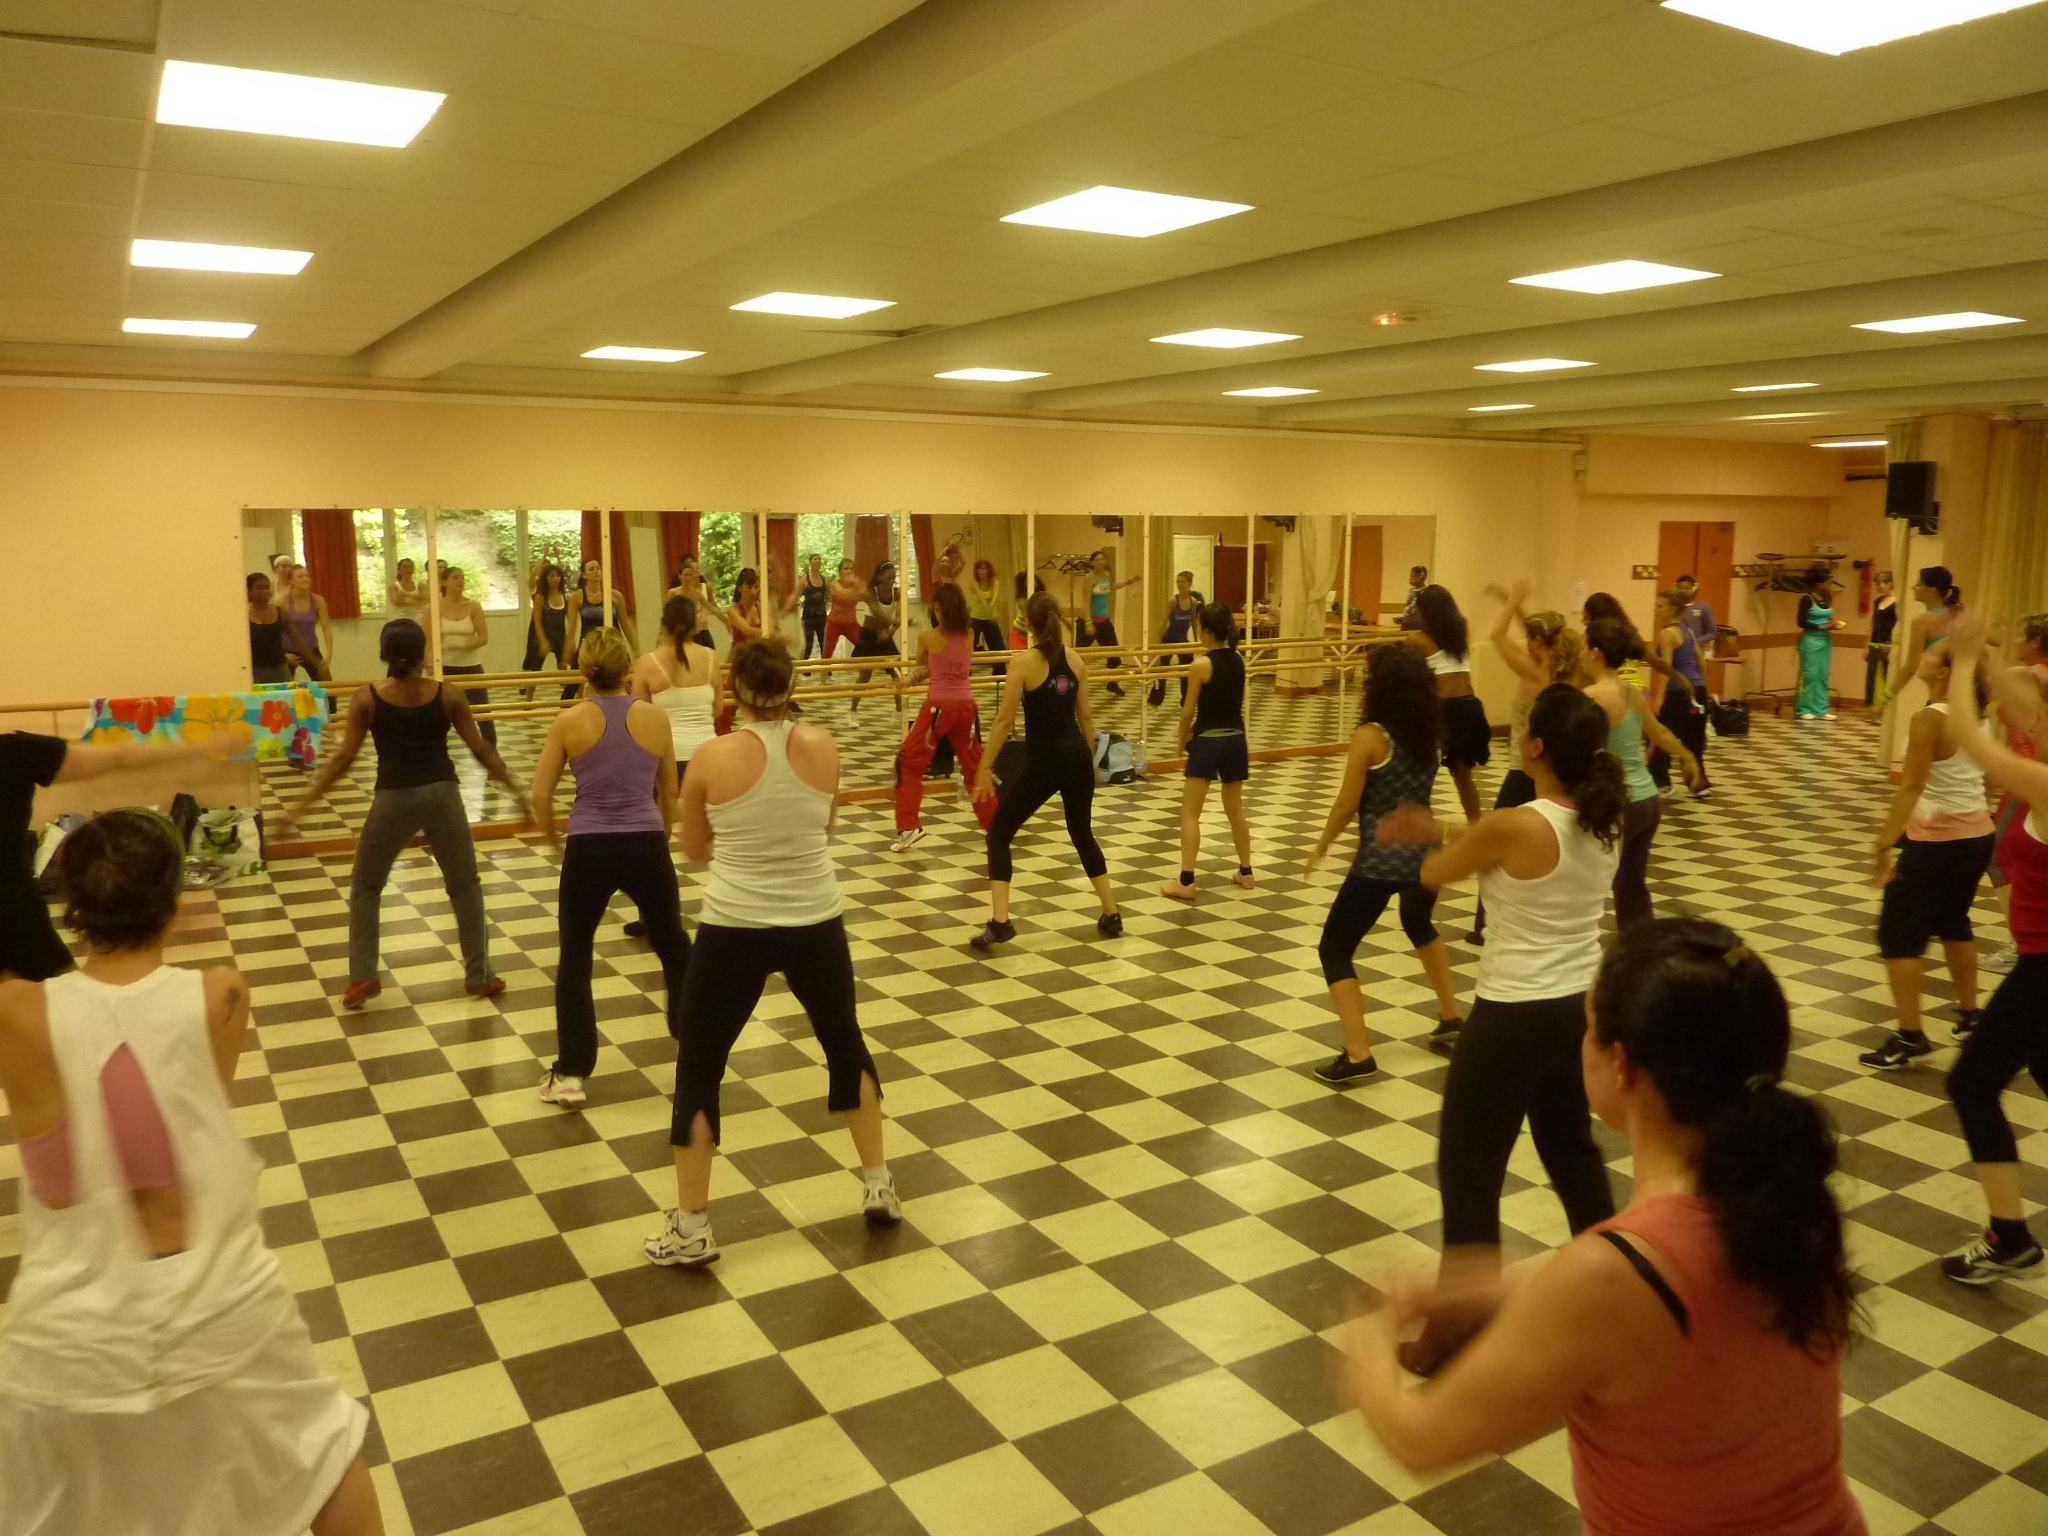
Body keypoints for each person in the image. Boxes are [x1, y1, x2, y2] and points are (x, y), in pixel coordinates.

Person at [1346, 919, 1864, 1536]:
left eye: (1588, 1029)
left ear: (1623, 1065)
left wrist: (1369, 1338)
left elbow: (1419, 1439)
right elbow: (1689, 1312)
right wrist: (1502, 1290)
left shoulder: (1613, 1273)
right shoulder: (1787, 1199)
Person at [0, 809, 383, 1536]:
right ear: (174, 903)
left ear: (71, 906)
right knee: (324, 1452)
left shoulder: (16, 1010)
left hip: (70, 1332)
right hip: (220, 1304)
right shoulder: (219, 994)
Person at [1375, 685, 1627, 1375]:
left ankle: (1459, 1327)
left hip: (1513, 1016)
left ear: (1536, 746)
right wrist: (1448, 830)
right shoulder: (1604, 815)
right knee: (1572, 1155)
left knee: (1468, 1171)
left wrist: (1422, 834)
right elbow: (1497, 844)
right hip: (1577, 1009)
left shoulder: (1515, 823)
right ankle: (1616, 1296)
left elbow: (1435, 873)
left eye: (1523, 729)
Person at [648, 638, 899, 1266]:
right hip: (817, 917)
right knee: (844, 1042)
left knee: (699, 1065)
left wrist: (744, 838)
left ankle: (692, 1227)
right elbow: (825, 826)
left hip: (734, 924)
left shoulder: (711, 756)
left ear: (733, 690)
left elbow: (694, 849)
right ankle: (879, 1185)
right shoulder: (825, 747)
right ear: (792, 687)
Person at [277, 619, 525, 1011]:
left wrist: (298, 808)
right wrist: (517, 791)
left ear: (383, 654)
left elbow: (343, 758)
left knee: (366, 886)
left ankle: (363, 976)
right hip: (443, 794)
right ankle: (479, 974)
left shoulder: (366, 698)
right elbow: (480, 748)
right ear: (424, 653)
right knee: (465, 886)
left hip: (392, 798)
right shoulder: (449, 694)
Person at [530, 628, 689, 1109]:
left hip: (588, 846)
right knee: (674, 945)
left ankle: (571, 1072)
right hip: (645, 842)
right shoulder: (655, 718)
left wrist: (555, 844)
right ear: (627, 669)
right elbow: (670, 793)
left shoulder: (568, 720)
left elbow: (540, 796)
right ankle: (695, 1041)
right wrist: (661, 837)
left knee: (575, 956)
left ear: (583, 671)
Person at [1933, 622, 2048, 1282]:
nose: (2030, 721)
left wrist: (1964, 659)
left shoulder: (2045, 783)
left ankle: (2010, 1239)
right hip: (2041, 960)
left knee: (1971, 1083)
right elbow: (2023, 703)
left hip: (2045, 967)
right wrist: (1986, 656)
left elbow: (1972, 740)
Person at [1305, 642, 1461, 1081]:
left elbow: (1346, 804)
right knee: (1420, 924)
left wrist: (1322, 845)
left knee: (1335, 947)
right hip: (1424, 857)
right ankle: (1451, 1016)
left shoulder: (1371, 736)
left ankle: (1358, 1054)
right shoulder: (1429, 733)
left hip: (1378, 861)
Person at [1859, 640, 1993, 1070]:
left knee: (1899, 936)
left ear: (1944, 672)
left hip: (1937, 841)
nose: (1923, 657)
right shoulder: (1976, 715)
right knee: (1954, 921)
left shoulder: (1928, 719)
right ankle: (1971, 1015)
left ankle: (1910, 1035)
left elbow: (1911, 786)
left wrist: (1883, 843)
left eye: (1932, 654)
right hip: (1978, 835)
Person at [1, 729, 213, 983]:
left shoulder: (15, 753)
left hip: (21, 920)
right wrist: (195, 745)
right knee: (65, 1002)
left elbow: (117, 757)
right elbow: (118, 757)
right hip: (17, 918)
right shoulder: (12, 752)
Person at [970, 591, 1120, 949]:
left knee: (999, 834)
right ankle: (1112, 913)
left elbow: (1004, 721)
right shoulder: (1076, 661)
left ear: (1029, 624)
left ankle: (1000, 922)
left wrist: (984, 767)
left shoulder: (1023, 663)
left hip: (1046, 759)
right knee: (1082, 834)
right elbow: (1086, 717)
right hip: (1076, 756)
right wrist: (1091, 759)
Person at [1470, 584, 1583, 942]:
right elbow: (1531, 636)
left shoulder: (1534, 673)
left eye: (1530, 638)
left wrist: (1513, 600)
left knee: (1492, 842)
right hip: (1553, 771)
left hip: (1524, 772)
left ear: (1537, 643)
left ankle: (1484, 924)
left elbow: (1497, 635)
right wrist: (1518, 609)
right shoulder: (1564, 669)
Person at [1583, 619, 1703, 932]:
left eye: (1584, 648)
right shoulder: (1631, 692)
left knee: (1594, 879)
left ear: (1595, 653)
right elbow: (1659, 733)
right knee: (1631, 881)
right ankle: (1640, 944)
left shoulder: (1591, 697)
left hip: (1620, 801)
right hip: (1647, 799)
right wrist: (1688, 756)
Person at [891, 583, 996, 853]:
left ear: (937, 608)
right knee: (975, 768)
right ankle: (995, 824)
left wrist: (907, 680)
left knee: (907, 764)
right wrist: (913, 679)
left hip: (939, 709)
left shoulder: (927, 635)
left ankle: (908, 826)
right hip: (967, 708)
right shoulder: (970, 634)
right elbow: (943, 666)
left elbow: (922, 666)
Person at [1161, 602, 1255, 900]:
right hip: (1236, 739)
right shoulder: (1238, 660)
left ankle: (1186, 881)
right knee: (1235, 809)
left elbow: (1188, 710)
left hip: (1208, 741)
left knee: (1190, 813)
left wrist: (1182, 738)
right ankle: (1246, 871)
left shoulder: (1200, 665)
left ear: (1207, 631)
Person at [1407, 585, 1490, 825]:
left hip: (1442, 709)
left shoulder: (1418, 639)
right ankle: (1475, 823)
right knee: (1463, 776)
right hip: (1470, 706)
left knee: (1422, 770)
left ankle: (1418, 823)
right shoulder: (1459, 635)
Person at [1647, 588, 1713, 797]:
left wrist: (1659, 698)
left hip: (1678, 692)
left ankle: (1661, 783)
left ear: (1673, 609)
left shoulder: (1666, 633)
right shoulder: (1688, 631)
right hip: (1697, 691)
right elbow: (1701, 662)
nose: (1655, 610)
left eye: (1660, 606)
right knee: (1694, 740)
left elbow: (1666, 668)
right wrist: (1703, 689)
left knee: (1662, 736)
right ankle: (1699, 784)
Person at [436, 565, 495, 748]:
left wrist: (461, 645)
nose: (461, 581)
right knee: (440, 714)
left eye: (462, 577)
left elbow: (483, 637)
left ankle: (491, 752)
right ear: (444, 582)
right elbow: (428, 639)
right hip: (445, 667)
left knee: (483, 713)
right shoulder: (434, 607)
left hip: (471, 666)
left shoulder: (473, 605)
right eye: (455, 577)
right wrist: (429, 662)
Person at [1076, 549, 1135, 696]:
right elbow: (1086, 602)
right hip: (1088, 621)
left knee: (1114, 654)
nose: (1100, 562)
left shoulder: (1107, 575)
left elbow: (1111, 587)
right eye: (1096, 560)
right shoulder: (1090, 578)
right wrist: (1088, 623)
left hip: (1104, 622)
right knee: (1078, 656)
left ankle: (1112, 683)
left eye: (1102, 559)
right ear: (1092, 563)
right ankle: (1073, 687)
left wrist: (1128, 582)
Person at [851, 560, 902, 711]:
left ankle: (899, 710)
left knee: (897, 673)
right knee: (864, 677)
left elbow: (899, 615)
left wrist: (891, 631)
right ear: (880, 577)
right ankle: (852, 710)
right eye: (889, 578)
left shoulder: (896, 593)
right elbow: (877, 612)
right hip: (869, 636)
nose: (892, 581)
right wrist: (893, 622)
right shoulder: (870, 593)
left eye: (894, 578)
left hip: (885, 636)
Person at [1795, 567, 1844, 721]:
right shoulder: (1807, 599)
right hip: (1810, 641)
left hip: (1825, 641)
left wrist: (1833, 623)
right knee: (1810, 675)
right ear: (1818, 584)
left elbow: (1827, 617)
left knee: (1823, 675)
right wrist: (1820, 627)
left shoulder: (1827, 598)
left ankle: (1821, 709)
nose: (1830, 586)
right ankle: (1803, 708)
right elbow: (1801, 622)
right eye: (1827, 583)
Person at [248, 570, 312, 685]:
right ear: (249, 591)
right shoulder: (242, 615)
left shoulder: (281, 612)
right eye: (260, 588)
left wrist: (315, 662)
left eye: (267, 588)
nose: (265, 591)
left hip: (280, 669)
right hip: (253, 670)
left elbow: (297, 641)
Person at [522, 559, 572, 700]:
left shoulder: (566, 598)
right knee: (535, 670)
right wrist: (543, 641)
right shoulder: (540, 597)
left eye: (557, 576)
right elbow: (537, 622)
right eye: (551, 576)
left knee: (565, 667)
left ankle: (567, 699)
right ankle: (528, 701)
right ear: (546, 578)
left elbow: (571, 621)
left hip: (560, 636)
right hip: (542, 636)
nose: (555, 579)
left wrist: (569, 641)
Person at [1151, 570, 1201, 708]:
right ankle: (1155, 699)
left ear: (1189, 583)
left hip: (1182, 640)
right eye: (1178, 582)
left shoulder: (1193, 602)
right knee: (1162, 671)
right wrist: (1157, 643)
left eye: (1183, 582)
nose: (1179, 585)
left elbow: (1194, 622)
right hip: (1168, 639)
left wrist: (1196, 641)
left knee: (1187, 671)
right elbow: (1163, 621)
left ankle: (1186, 700)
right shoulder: (1173, 601)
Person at [570, 557, 636, 658]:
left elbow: (625, 626)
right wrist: (568, 652)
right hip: (590, 647)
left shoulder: (616, 596)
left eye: (598, 568)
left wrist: (635, 650)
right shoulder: (577, 597)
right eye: (591, 569)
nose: (596, 571)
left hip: (613, 645)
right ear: (584, 575)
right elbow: (571, 630)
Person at [281, 564, 332, 685]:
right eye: (300, 576)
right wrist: (284, 655)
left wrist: (329, 653)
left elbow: (326, 628)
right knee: (285, 686)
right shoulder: (282, 601)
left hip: (311, 649)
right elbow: (273, 631)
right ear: (291, 581)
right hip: (289, 650)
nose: (305, 579)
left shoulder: (318, 600)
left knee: (326, 683)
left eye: (307, 576)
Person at [1904, 565, 1963, 659]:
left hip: (1931, 667)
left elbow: (1913, 662)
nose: (1913, 587)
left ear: (1931, 590)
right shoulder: (1957, 615)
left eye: (1919, 584)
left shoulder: (1921, 622)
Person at [967, 558, 1006, 675]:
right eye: (979, 569)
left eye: (984, 568)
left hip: (990, 618)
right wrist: (990, 609)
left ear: (988, 570)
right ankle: (965, 671)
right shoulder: (974, 584)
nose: (981, 571)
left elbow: (994, 599)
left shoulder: (995, 583)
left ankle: (999, 671)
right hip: (976, 618)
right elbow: (982, 599)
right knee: (968, 645)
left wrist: (993, 614)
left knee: (998, 646)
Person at [668, 554, 715, 648]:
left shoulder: (701, 587)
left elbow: (711, 606)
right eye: (686, 575)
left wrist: (724, 618)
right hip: (681, 629)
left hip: (700, 629)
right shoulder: (674, 589)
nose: (688, 577)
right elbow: (669, 612)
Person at [824, 559, 865, 663]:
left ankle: (861, 667)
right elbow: (843, 594)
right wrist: (857, 589)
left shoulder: (857, 584)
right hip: (834, 623)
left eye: (851, 569)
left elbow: (865, 593)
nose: (849, 571)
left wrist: (858, 587)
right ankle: (824, 673)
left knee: (864, 645)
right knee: (827, 654)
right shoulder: (835, 584)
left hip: (851, 623)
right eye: (845, 569)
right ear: (840, 571)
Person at [1866, 571, 1898, 707]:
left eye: (1880, 584)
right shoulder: (1877, 601)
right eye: (1876, 584)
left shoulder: (1897, 602)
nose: (1878, 587)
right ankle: (1871, 706)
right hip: (1875, 642)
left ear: (1890, 584)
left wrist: (1894, 645)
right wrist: (1866, 645)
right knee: (1872, 677)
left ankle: (1884, 707)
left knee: (1886, 675)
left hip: (1888, 642)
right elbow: (1873, 623)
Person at [1673, 572, 1717, 655]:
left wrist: (1697, 642)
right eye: (1680, 588)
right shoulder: (1673, 608)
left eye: (1686, 588)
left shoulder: (1703, 607)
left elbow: (1712, 632)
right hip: (1677, 650)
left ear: (1694, 589)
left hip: (1697, 651)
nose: (1683, 591)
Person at [796, 553, 830, 660]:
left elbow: (832, 595)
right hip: (809, 617)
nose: (818, 561)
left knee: (824, 644)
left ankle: (826, 666)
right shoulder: (804, 579)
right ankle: (803, 666)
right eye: (815, 559)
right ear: (810, 562)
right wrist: (786, 608)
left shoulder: (825, 580)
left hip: (821, 616)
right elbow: (795, 595)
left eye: (819, 559)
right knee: (809, 645)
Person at [725, 567, 765, 647]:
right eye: (749, 587)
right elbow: (747, 630)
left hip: (759, 652)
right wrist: (767, 633)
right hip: (740, 653)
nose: (753, 591)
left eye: (756, 587)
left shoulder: (763, 608)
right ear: (739, 588)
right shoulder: (733, 610)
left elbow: (771, 630)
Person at [1396, 565, 1427, 629]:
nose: (1410, 579)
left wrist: (1410, 620)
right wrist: (1404, 618)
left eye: (1412, 576)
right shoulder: (1411, 591)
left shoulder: (1426, 592)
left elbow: (1420, 614)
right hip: (1407, 624)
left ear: (1421, 577)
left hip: (1417, 626)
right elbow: (1409, 608)